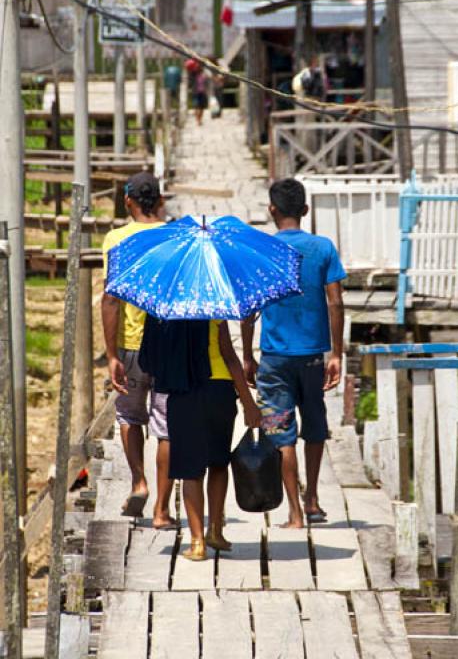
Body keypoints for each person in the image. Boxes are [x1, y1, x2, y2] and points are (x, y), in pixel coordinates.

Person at [241, 178, 346, 528]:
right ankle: (313, 499)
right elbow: (335, 301)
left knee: (281, 434)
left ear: (272, 210)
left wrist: (246, 356)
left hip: (274, 358)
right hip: (314, 357)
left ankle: (295, 514)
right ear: (305, 211)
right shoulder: (323, 248)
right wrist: (337, 354)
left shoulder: (262, 250)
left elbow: (247, 310)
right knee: (315, 429)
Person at [139, 317, 262, 560]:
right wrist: (248, 402)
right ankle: (215, 530)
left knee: (190, 471)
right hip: (220, 390)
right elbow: (228, 357)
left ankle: (197, 543)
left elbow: (148, 361)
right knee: (218, 463)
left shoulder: (164, 313)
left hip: (183, 392)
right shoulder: (214, 310)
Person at [101, 172, 174, 528]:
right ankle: (163, 509)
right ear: (159, 201)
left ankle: (139, 481)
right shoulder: (175, 237)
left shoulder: (117, 239)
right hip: (169, 344)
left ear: (128, 201)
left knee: (129, 416)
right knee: (166, 426)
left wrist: (112, 354)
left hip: (131, 345)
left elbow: (111, 299)